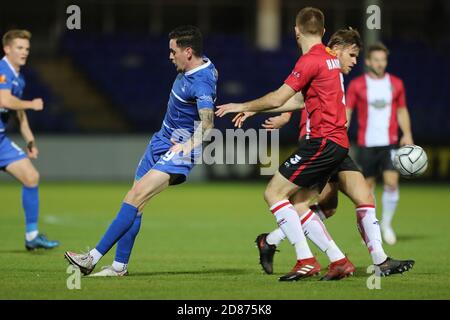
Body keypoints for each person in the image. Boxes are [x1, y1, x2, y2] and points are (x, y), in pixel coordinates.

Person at [64, 25, 218, 276]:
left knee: (135, 196)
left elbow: (208, 124)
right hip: (161, 140)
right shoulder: (205, 66)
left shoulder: (201, 82)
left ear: (188, 52)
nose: (170, 56)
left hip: (178, 148)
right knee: (136, 201)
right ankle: (118, 267)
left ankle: (90, 258)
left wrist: (187, 145)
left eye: (173, 51)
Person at [216, 8, 355, 282]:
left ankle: (305, 260)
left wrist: (242, 105)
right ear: (324, 32)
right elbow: (303, 100)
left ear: (296, 31)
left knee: (274, 193)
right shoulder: (331, 60)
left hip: (321, 141)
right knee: (301, 203)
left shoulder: (309, 61)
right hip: (337, 143)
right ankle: (339, 261)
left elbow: (279, 97)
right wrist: (257, 111)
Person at [346, 43, 413, 245]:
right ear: (367, 61)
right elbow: (347, 111)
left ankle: (387, 225)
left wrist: (407, 134)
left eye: (383, 60)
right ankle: (371, 229)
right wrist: (341, 134)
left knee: (392, 182)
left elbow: (402, 110)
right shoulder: (357, 85)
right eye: (376, 60)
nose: (380, 63)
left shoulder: (396, 84)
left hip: (390, 143)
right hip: (366, 143)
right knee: (367, 188)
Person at [0, 29, 59, 250]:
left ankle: (32, 236)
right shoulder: (2, 69)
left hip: (1, 141)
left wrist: (30, 140)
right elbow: (4, 100)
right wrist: (32, 104)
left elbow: (18, 113)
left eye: (26, 48)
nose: (24, 52)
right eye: (19, 48)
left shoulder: (19, 78)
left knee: (31, 176)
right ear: (7, 49)